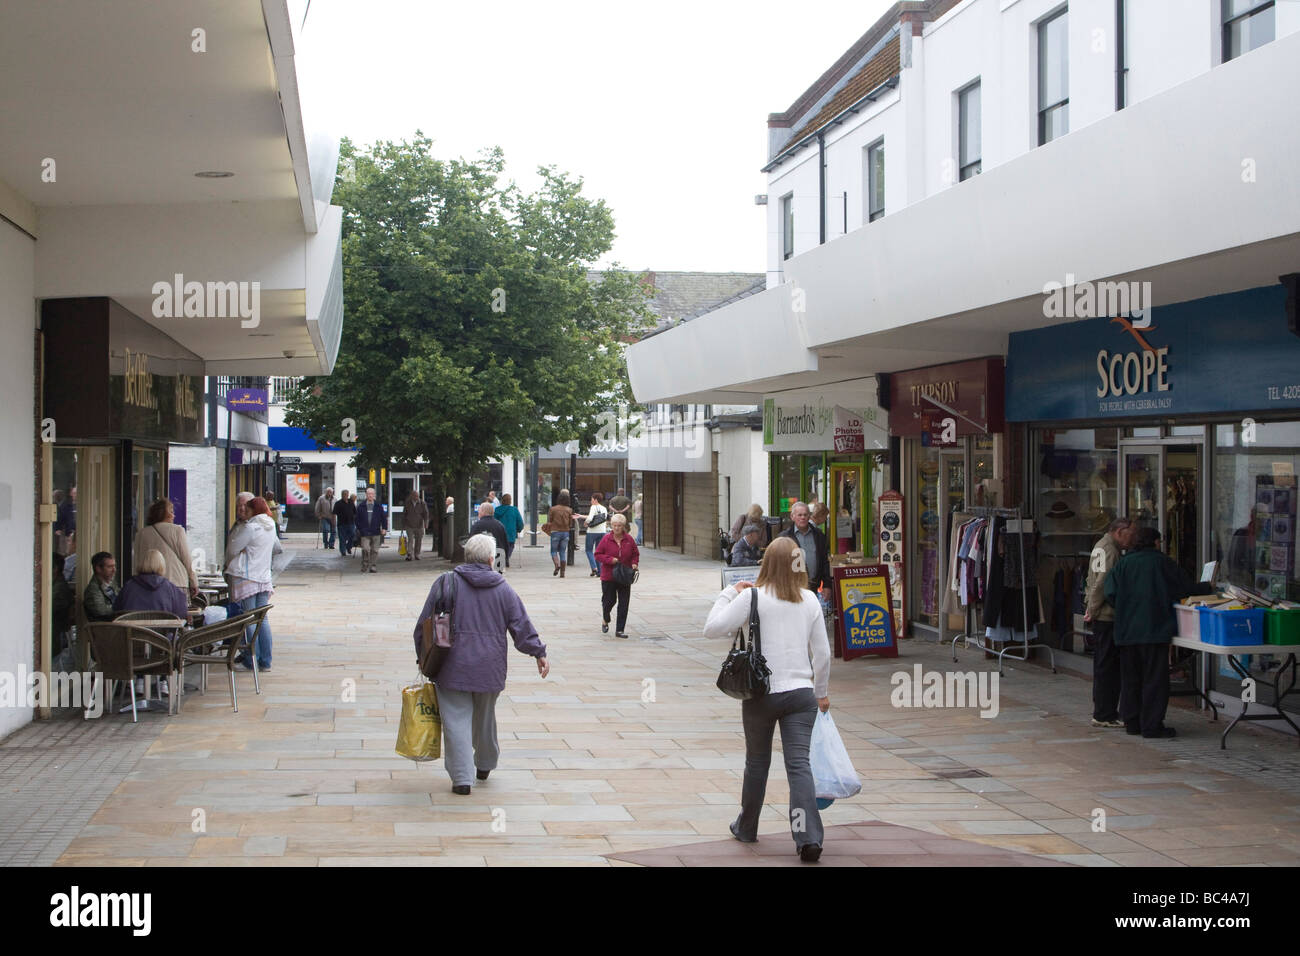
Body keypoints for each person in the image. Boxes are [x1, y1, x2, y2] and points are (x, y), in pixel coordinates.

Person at [704, 536, 831, 862]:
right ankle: (808, 839)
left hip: (762, 694)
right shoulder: (810, 599)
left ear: (767, 564)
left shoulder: (753, 598)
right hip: (801, 695)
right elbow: (823, 654)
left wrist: (728, 592)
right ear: (798, 563)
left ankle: (747, 827)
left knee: (757, 763)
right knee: (799, 766)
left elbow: (713, 628)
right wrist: (821, 693)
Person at [412, 533, 549, 794]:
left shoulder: (446, 582)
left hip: (450, 663)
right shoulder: (503, 588)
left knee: (455, 720)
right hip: (490, 665)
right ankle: (485, 763)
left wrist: (422, 655)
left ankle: (462, 779)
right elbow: (521, 625)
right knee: (485, 718)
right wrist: (538, 652)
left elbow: (423, 623)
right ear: (490, 558)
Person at [1104, 526, 1208, 739]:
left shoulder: (1123, 564)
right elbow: (1184, 588)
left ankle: (1132, 722)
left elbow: (1110, 592)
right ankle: (1152, 725)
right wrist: (1207, 587)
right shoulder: (1162, 563)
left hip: (1127, 631)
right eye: (1159, 541)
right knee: (1154, 679)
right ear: (1154, 542)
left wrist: (1125, 608)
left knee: (1131, 678)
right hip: (1155, 629)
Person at [1084, 517, 1135, 729]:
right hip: (1106, 616)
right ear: (1119, 531)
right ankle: (1104, 713)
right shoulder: (1111, 551)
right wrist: (1093, 609)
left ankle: (1103, 711)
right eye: (1130, 534)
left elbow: (1092, 582)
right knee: (1107, 666)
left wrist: (1090, 605)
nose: (1132, 539)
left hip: (1100, 613)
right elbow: (1101, 584)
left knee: (1103, 664)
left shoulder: (1101, 545)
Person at [225, 496, 277, 671]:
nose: (244, 513)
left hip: (247, 577)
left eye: (247, 510)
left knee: (249, 618)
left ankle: (251, 660)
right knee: (262, 619)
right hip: (264, 577)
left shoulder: (251, 527)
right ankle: (266, 661)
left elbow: (232, 549)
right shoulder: (271, 526)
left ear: (254, 510)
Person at [132, 498, 199, 599]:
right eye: (171, 511)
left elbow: (137, 560)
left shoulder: (141, 534)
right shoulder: (178, 530)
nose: (174, 515)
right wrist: (193, 581)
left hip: (147, 585)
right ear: (164, 514)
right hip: (176, 582)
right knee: (178, 614)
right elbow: (186, 559)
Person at [594, 513, 639, 638]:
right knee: (609, 600)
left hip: (624, 575)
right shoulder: (606, 539)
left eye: (619, 525)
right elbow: (597, 554)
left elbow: (635, 554)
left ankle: (620, 630)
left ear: (623, 526)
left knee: (624, 603)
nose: (616, 528)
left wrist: (634, 563)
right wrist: (610, 559)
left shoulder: (629, 539)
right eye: (614, 525)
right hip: (609, 576)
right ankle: (605, 617)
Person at [114, 549, 189, 622]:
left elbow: (117, 610)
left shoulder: (129, 586)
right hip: (162, 633)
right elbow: (181, 614)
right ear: (162, 565)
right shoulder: (170, 588)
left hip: (132, 633)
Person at [779, 501, 832, 594]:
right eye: (799, 515)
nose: (802, 517)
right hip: (792, 589)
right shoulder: (784, 537)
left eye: (805, 515)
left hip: (813, 587)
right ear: (792, 517)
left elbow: (824, 561)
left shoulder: (819, 535)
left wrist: (827, 585)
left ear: (809, 516)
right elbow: (779, 564)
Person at [354, 486, 388, 573]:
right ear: (366, 495)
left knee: (375, 550)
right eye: (368, 494)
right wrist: (360, 529)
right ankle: (365, 564)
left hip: (376, 531)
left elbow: (384, 518)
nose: (370, 495)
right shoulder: (361, 506)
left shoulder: (378, 506)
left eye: (372, 494)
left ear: (374, 495)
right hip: (365, 532)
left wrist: (384, 528)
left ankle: (373, 566)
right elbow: (357, 519)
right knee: (365, 549)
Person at [469, 501, 509, 566]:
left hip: (483, 558)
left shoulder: (477, 526)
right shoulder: (500, 525)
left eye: (479, 511)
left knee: (485, 576)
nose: (478, 513)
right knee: (498, 576)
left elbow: (471, 544)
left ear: (482, 512)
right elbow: (505, 543)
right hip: (499, 557)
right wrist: (506, 559)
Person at [83, 551, 118, 622]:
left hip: (117, 624)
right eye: (110, 567)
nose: (114, 570)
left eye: (114, 566)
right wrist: (122, 607)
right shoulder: (93, 590)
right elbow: (101, 611)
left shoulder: (112, 584)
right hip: (106, 629)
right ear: (98, 569)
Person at [547, 491, 574, 578]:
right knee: (562, 551)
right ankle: (562, 573)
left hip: (555, 532)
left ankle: (557, 564)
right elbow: (571, 523)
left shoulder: (553, 509)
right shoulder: (569, 510)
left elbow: (549, 521)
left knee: (553, 551)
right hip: (565, 532)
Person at [51, 554, 75, 650]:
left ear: (55, 568)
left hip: (56, 635)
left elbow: (49, 610)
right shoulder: (57, 586)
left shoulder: (59, 589)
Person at [495, 493, 524, 567]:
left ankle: (500, 562)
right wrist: (519, 529)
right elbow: (520, 522)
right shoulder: (514, 510)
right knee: (510, 546)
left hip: (499, 532)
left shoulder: (497, 510)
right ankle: (506, 558)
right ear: (510, 501)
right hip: (511, 532)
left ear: (502, 500)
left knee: (500, 546)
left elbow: (494, 521)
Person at [583, 492, 609, 577]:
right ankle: (600, 572)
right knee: (599, 552)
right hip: (602, 532)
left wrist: (586, 523)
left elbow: (590, 518)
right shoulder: (604, 508)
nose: (591, 501)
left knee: (589, 550)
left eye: (591, 499)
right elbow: (604, 518)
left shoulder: (593, 507)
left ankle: (594, 567)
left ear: (595, 500)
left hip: (592, 532)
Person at [402, 489, 430, 561]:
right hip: (409, 524)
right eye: (415, 496)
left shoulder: (422, 503)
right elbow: (404, 513)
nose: (416, 497)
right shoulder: (407, 503)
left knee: (418, 540)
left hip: (419, 525)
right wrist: (403, 524)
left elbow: (426, 514)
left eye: (417, 496)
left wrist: (426, 523)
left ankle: (417, 554)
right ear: (411, 496)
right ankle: (410, 554)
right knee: (410, 540)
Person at [54, 486, 76, 556]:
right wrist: (57, 528)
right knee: (65, 551)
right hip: (67, 532)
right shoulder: (65, 505)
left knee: (68, 551)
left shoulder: (65, 506)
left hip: (71, 532)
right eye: (74, 493)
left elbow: (68, 518)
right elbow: (61, 517)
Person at [334, 489, 357, 556]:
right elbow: (334, 513)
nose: (345, 496)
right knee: (342, 538)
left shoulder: (351, 502)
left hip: (351, 523)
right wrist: (334, 522)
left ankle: (348, 547)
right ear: (342, 495)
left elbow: (355, 512)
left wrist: (356, 519)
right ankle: (343, 551)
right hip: (341, 523)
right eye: (344, 494)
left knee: (353, 535)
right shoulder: (338, 503)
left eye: (346, 494)